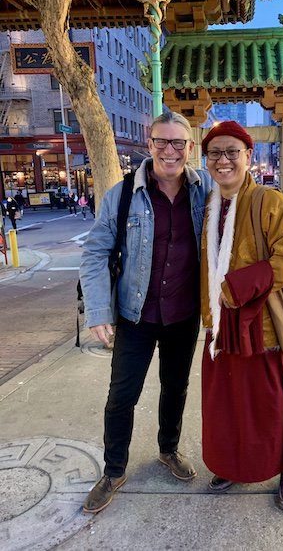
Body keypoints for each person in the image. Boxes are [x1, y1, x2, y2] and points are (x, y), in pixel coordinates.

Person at [80, 111, 212, 514]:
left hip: (184, 314)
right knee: (122, 396)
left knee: (176, 388)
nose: (170, 151)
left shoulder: (205, 190)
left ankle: (168, 449)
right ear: (149, 144)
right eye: (162, 142)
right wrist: (98, 311)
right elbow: (95, 252)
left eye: (178, 143)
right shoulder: (122, 195)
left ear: (190, 147)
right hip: (135, 315)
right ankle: (114, 470)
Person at [200, 121, 283, 511]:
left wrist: (236, 287)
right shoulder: (208, 206)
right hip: (220, 325)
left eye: (232, 152)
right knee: (227, 404)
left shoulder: (270, 202)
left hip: (262, 324)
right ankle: (232, 464)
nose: (223, 160)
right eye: (215, 153)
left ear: (248, 156)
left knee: (274, 402)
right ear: (207, 160)